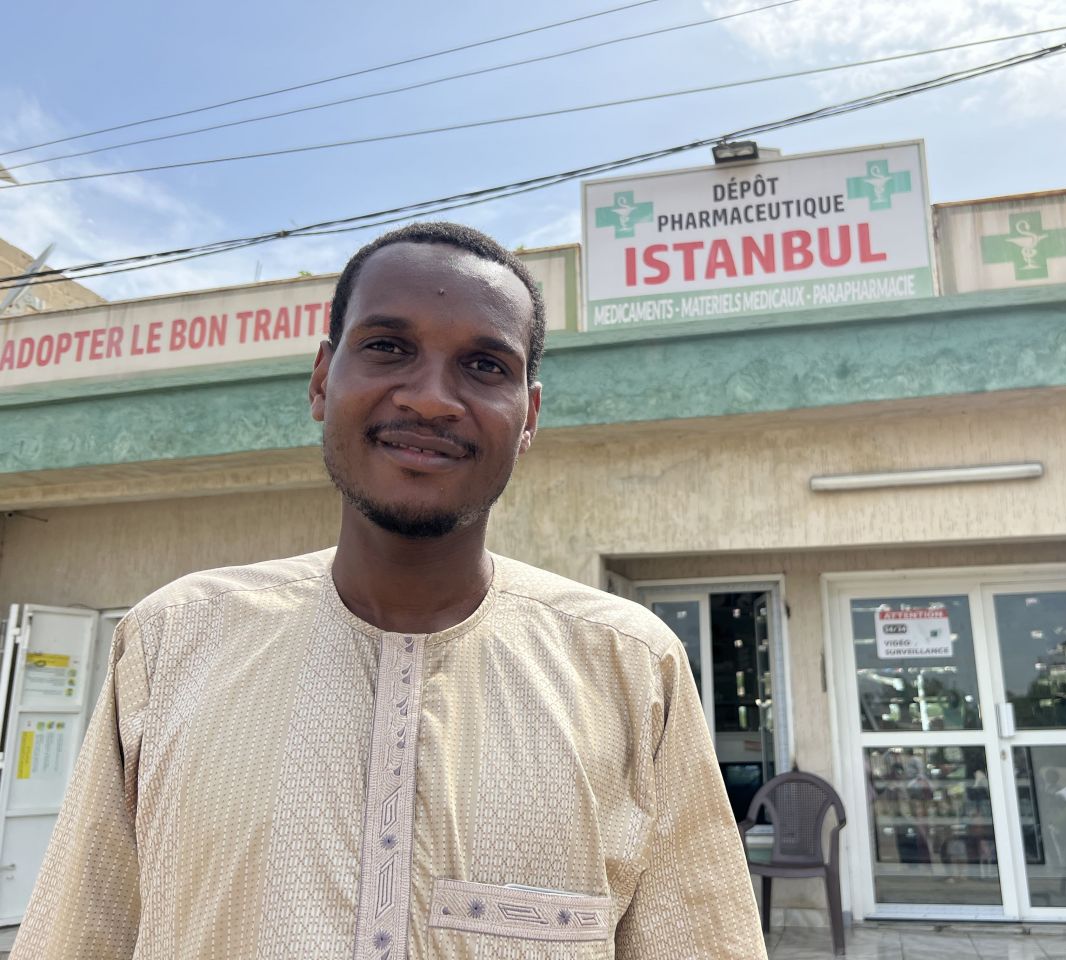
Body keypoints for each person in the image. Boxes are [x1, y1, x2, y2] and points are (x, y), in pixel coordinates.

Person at [12, 222, 768, 960]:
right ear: (321, 379)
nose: (432, 399)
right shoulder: (173, 642)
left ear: (529, 416)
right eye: (387, 348)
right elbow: (82, 933)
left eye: (484, 366)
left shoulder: (632, 668)